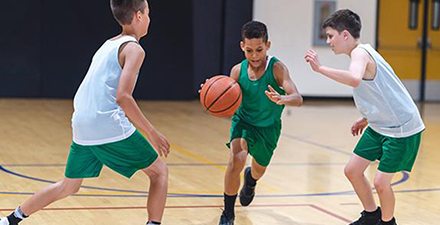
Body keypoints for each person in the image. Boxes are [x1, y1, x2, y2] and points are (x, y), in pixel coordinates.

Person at [0, 1, 170, 224]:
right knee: (159, 172)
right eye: (148, 13)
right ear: (138, 16)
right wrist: (151, 131)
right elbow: (123, 97)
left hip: (82, 122)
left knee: (68, 185)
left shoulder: (108, 44)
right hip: (105, 121)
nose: (149, 18)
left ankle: (10, 220)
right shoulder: (134, 49)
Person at [305, 9, 425, 225]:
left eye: (331, 36)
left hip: (401, 128)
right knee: (352, 170)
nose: (329, 41)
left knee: (381, 182)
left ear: (345, 35)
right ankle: (371, 215)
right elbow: (384, 92)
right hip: (381, 125)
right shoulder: (361, 53)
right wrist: (368, 118)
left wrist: (320, 68)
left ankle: (387, 223)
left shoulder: (360, 53)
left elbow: (354, 79)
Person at [218, 20, 303, 225]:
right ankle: (228, 213)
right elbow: (224, 97)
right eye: (249, 50)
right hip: (244, 122)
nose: (255, 55)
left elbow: (298, 98)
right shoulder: (237, 71)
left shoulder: (277, 69)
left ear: (268, 46)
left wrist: (284, 99)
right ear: (242, 47)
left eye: (259, 49)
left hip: (268, 127)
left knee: (258, 169)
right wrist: (212, 94)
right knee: (234, 161)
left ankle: (252, 180)